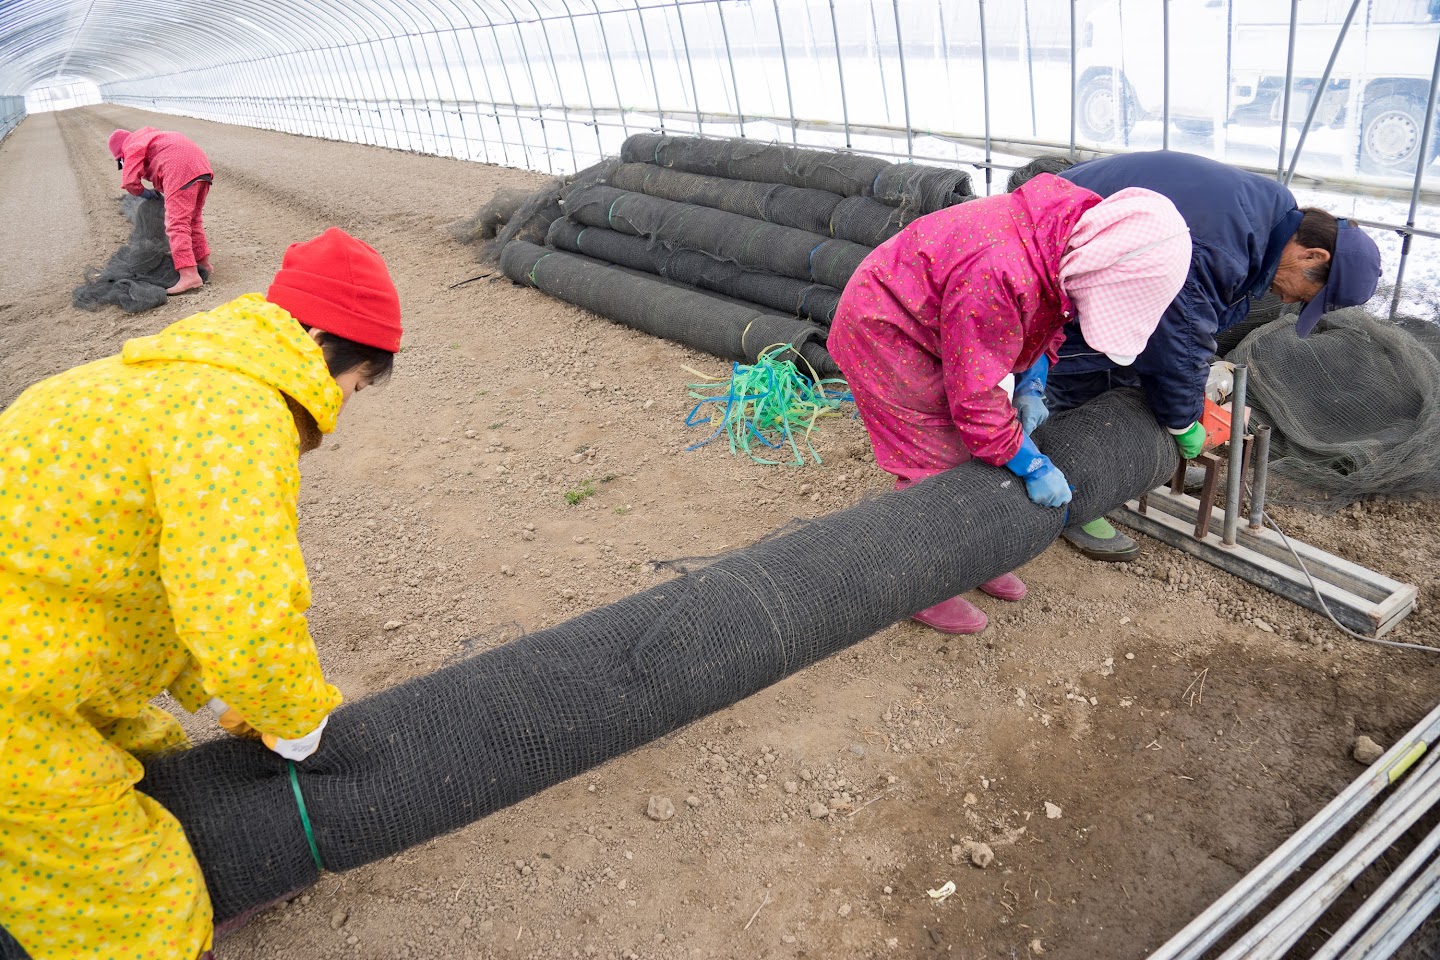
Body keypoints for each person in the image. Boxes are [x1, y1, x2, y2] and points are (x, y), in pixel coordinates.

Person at [0, 228, 403, 960]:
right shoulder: (238, 414)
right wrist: (291, 714)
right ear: (319, 342)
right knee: (133, 902)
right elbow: (241, 605)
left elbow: (156, 576)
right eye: (359, 382)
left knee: (160, 762)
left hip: (40, 642)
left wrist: (219, 696)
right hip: (14, 701)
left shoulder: (182, 379)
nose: (347, 405)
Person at [829, 173, 1192, 635]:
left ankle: (973, 554)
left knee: (971, 448)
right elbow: (976, 398)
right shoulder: (1000, 270)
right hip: (885, 328)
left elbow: (1054, 309)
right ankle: (922, 582)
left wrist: (1032, 384)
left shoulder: (1070, 233)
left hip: (935, 318)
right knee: (932, 458)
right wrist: (1031, 463)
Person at [1027, 150, 1381, 561]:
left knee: (1126, 367)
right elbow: (1175, 341)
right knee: (1074, 373)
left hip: (1089, 240)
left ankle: (1111, 465)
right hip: (1054, 246)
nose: (1289, 301)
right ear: (1313, 256)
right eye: (1308, 296)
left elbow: (1177, 331)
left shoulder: (1270, 213)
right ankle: (1068, 498)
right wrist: (1183, 421)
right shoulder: (1220, 246)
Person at [108, 127, 215, 295]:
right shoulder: (151, 137)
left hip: (179, 169)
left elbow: (129, 181)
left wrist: (144, 193)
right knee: (193, 219)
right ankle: (203, 263)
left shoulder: (131, 145)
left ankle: (189, 275)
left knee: (176, 224)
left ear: (121, 154)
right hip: (202, 168)